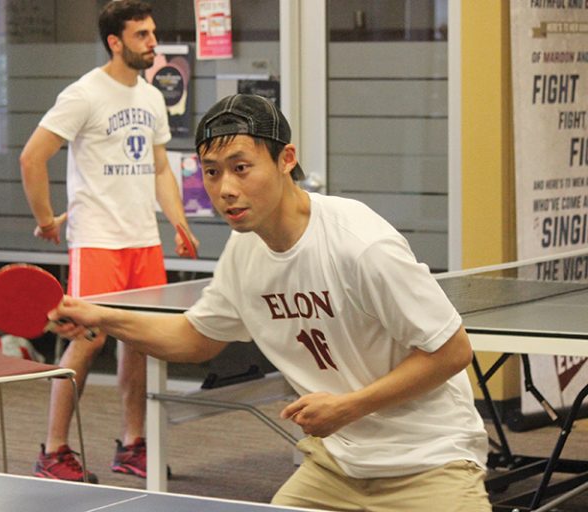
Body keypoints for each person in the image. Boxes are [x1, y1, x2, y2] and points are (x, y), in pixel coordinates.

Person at [47, 93, 492, 511]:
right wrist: (100, 316)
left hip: (430, 461)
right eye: (212, 171)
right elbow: (195, 338)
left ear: (287, 160)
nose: (225, 188)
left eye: (241, 167)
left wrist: (347, 406)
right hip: (338, 466)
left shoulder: (360, 244)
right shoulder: (245, 253)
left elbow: (453, 351)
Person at [19, 0, 197, 483]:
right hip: (97, 240)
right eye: (142, 35)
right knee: (86, 342)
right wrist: (46, 219)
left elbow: (160, 167)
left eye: (153, 33)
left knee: (138, 344)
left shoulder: (151, 98)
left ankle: (132, 443)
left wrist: (178, 221)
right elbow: (32, 158)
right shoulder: (83, 94)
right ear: (115, 42)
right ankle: (53, 451)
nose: (153, 43)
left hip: (143, 240)